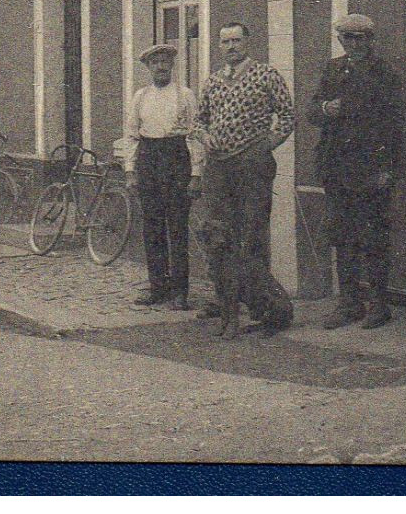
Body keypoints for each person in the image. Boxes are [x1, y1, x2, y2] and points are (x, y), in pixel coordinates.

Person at [193, 21, 296, 339]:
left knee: (252, 236)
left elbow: (288, 116)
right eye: (225, 42)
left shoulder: (266, 75)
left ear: (248, 43)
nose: (231, 46)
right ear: (219, 46)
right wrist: (204, 135)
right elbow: (197, 121)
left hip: (252, 167)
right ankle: (227, 305)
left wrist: (267, 144)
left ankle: (262, 308)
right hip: (218, 168)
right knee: (219, 238)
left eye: (237, 40)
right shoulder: (212, 82)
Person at [306, 14, 403, 330]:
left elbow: (394, 124)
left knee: (372, 236)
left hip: (370, 167)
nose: (353, 44)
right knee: (341, 235)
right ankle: (349, 303)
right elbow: (311, 110)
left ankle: (379, 304)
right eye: (347, 38)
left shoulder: (383, 73)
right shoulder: (333, 69)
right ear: (341, 41)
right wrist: (325, 109)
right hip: (337, 165)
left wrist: (388, 167)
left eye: (360, 38)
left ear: (370, 40)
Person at [116, 43, 202, 310]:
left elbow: (195, 136)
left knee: (177, 228)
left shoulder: (185, 95)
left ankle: (180, 291)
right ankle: (158, 287)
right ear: (148, 68)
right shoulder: (140, 97)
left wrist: (196, 173)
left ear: (172, 65)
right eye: (155, 63)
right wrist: (130, 172)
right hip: (149, 160)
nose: (161, 66)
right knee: (152, 228)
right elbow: (131, 136)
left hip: (176, 159)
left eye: (165, 61)